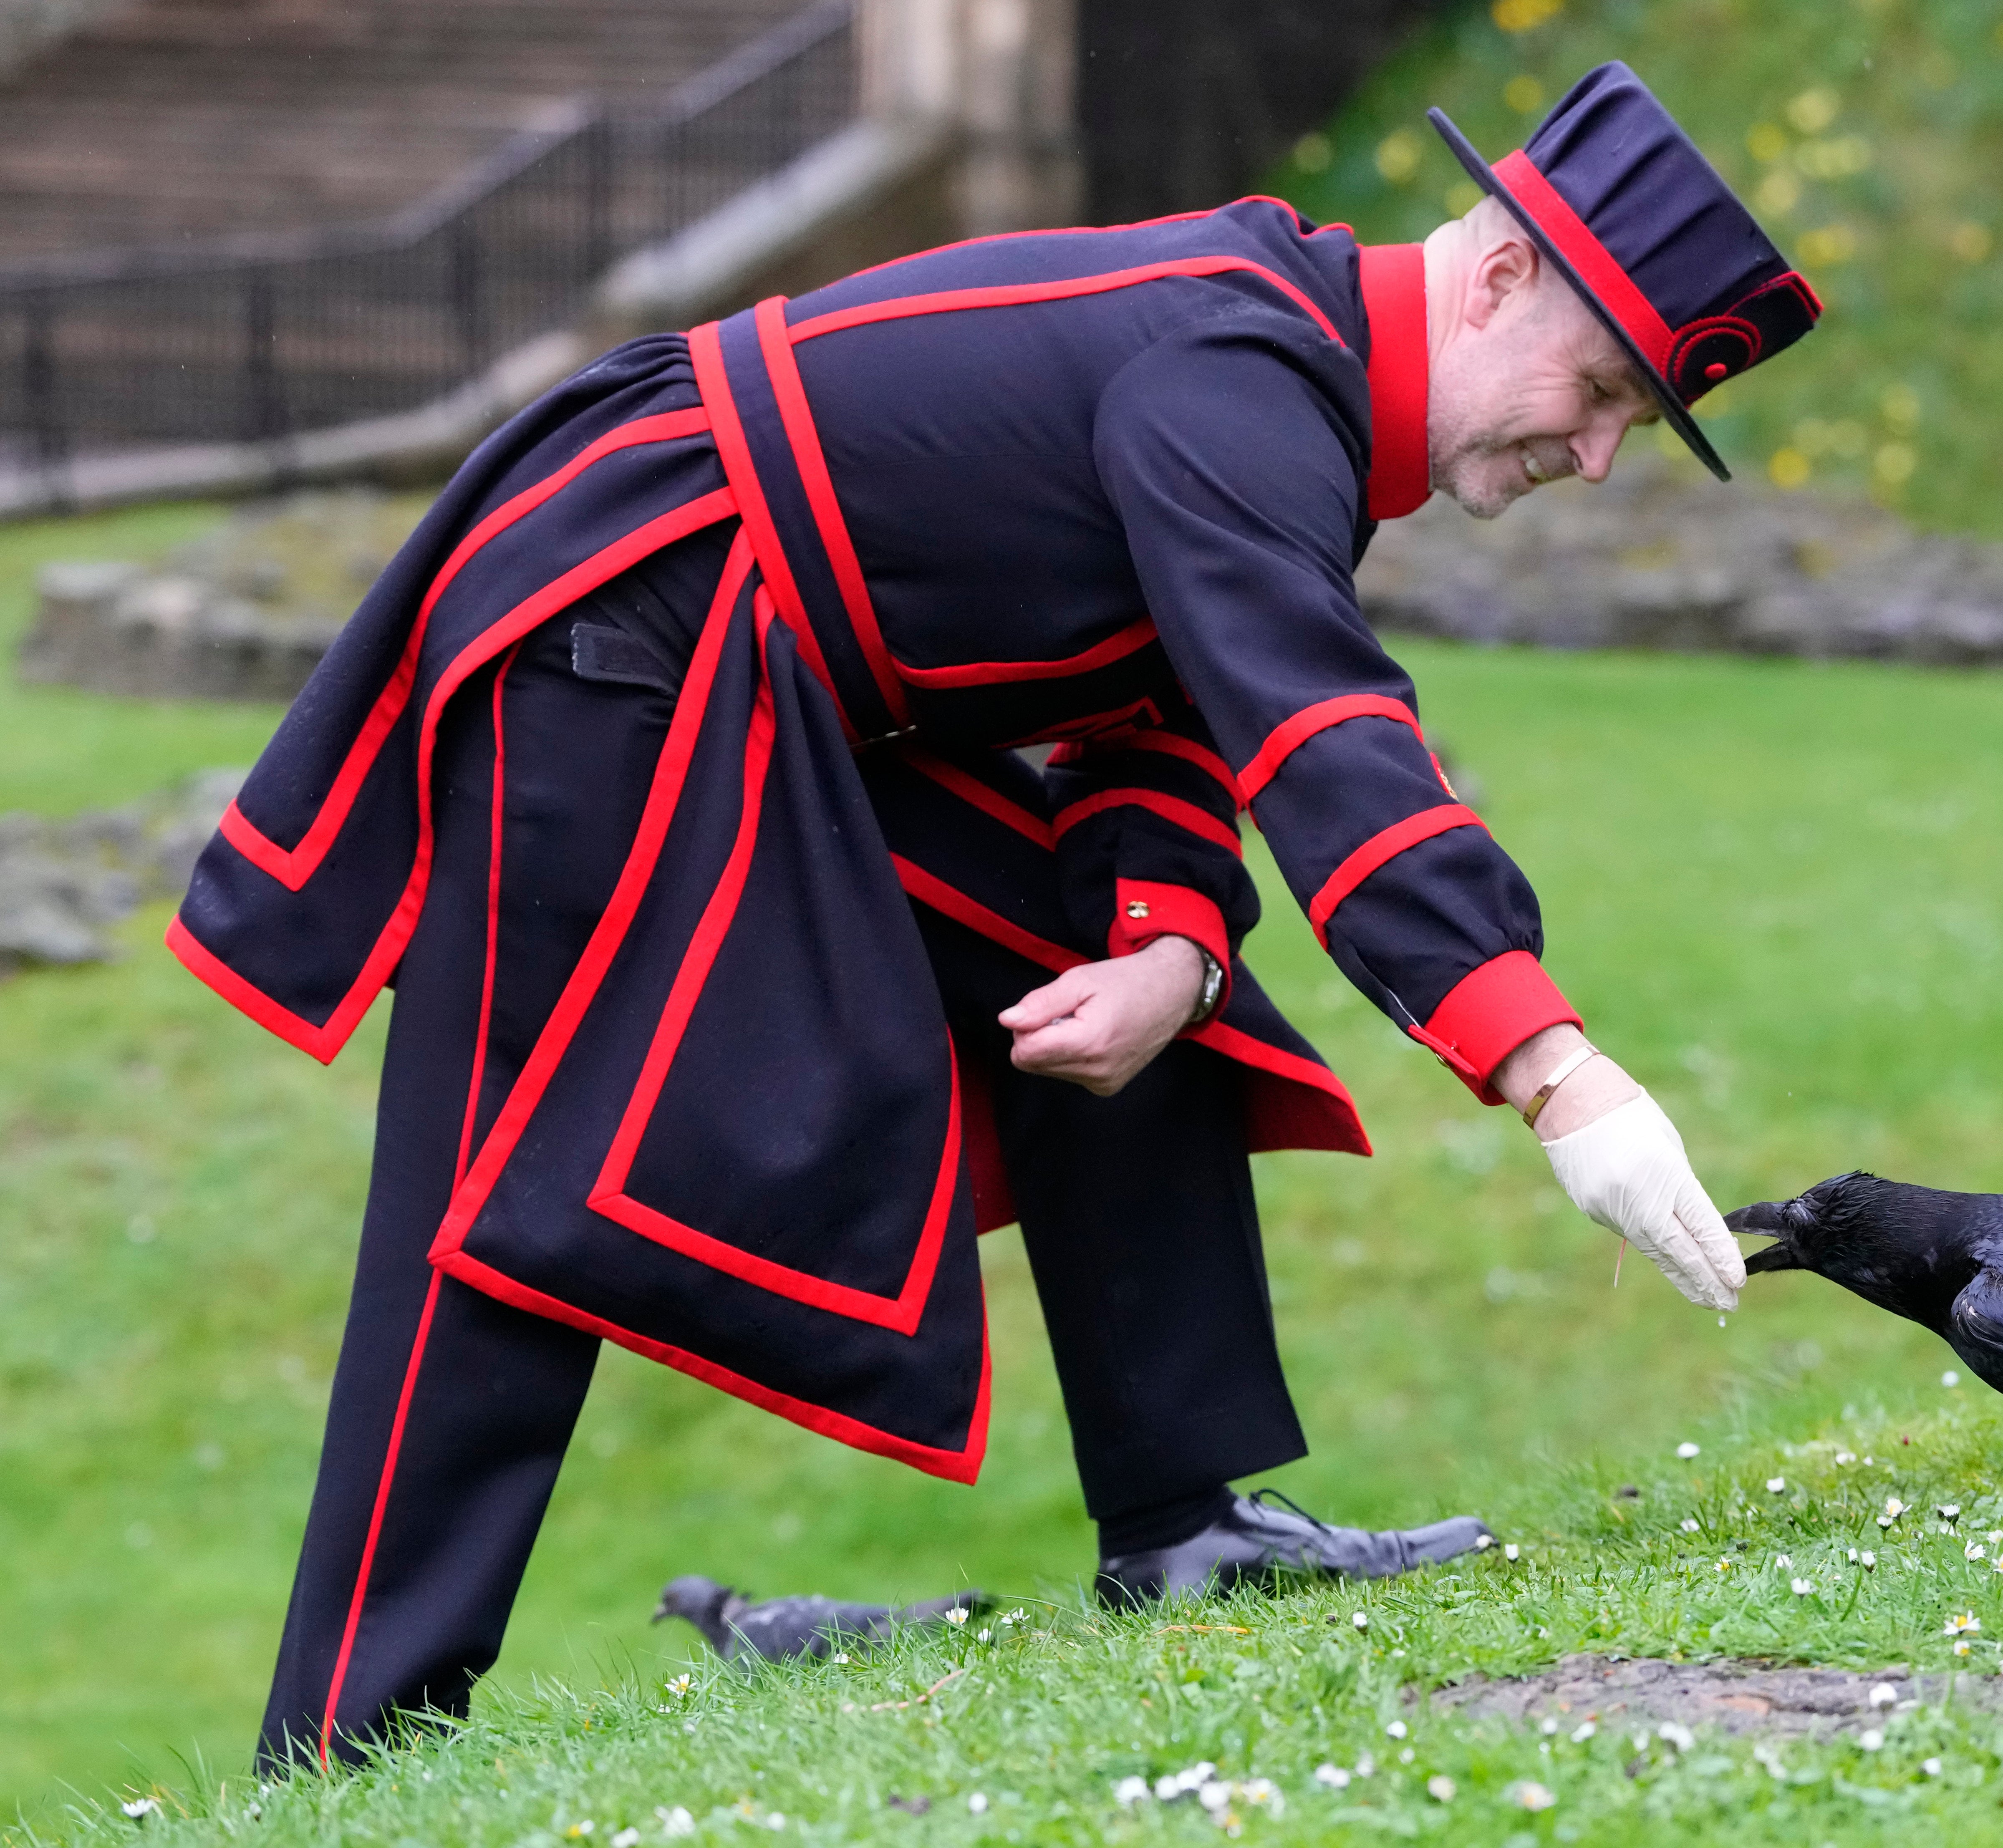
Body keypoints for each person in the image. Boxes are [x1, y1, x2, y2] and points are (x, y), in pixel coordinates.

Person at [169, 62, 1822, 1773]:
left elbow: (1160, 706)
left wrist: (1169, 948)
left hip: (760, 670)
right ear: (1493, 277)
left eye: (1640, 418)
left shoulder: (1291, 371)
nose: (1599, 453)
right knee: (510, 1183)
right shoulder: (1248, 369)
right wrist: (1555, 1073)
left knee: (1137, 970)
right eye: (1603, 385)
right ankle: (347, 1751)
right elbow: (1319, 734)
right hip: (610, 630)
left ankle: (1182, 1535)